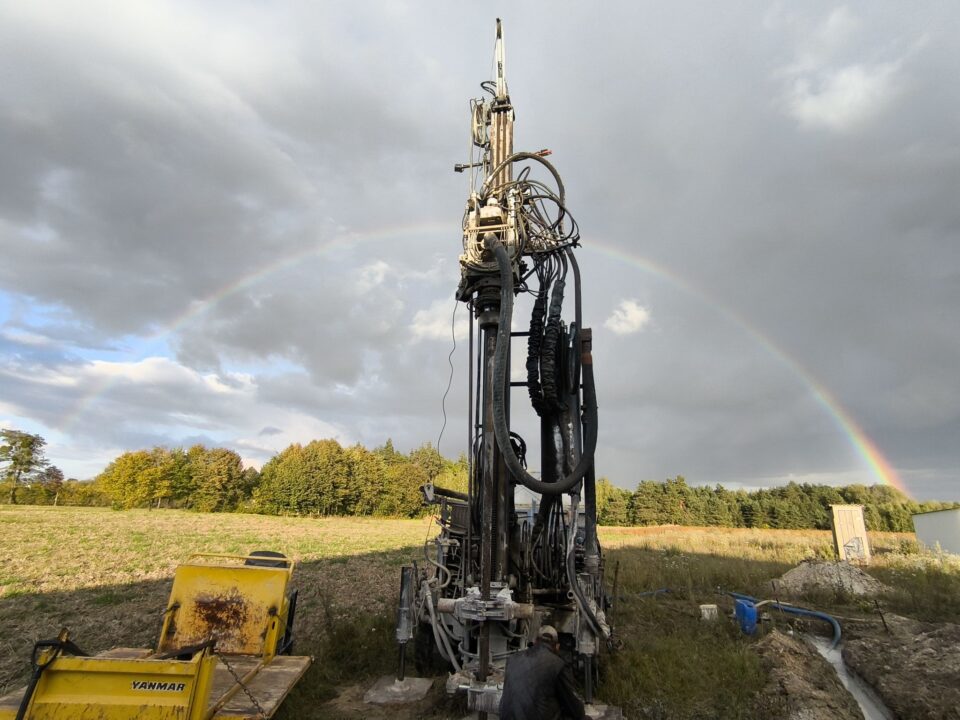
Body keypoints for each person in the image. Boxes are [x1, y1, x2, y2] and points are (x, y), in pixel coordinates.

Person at [498, 625, 586, 720]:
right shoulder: (557, 664)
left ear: (535, 641)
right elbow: (574, 708)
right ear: (557, 646)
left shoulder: (512, 659)